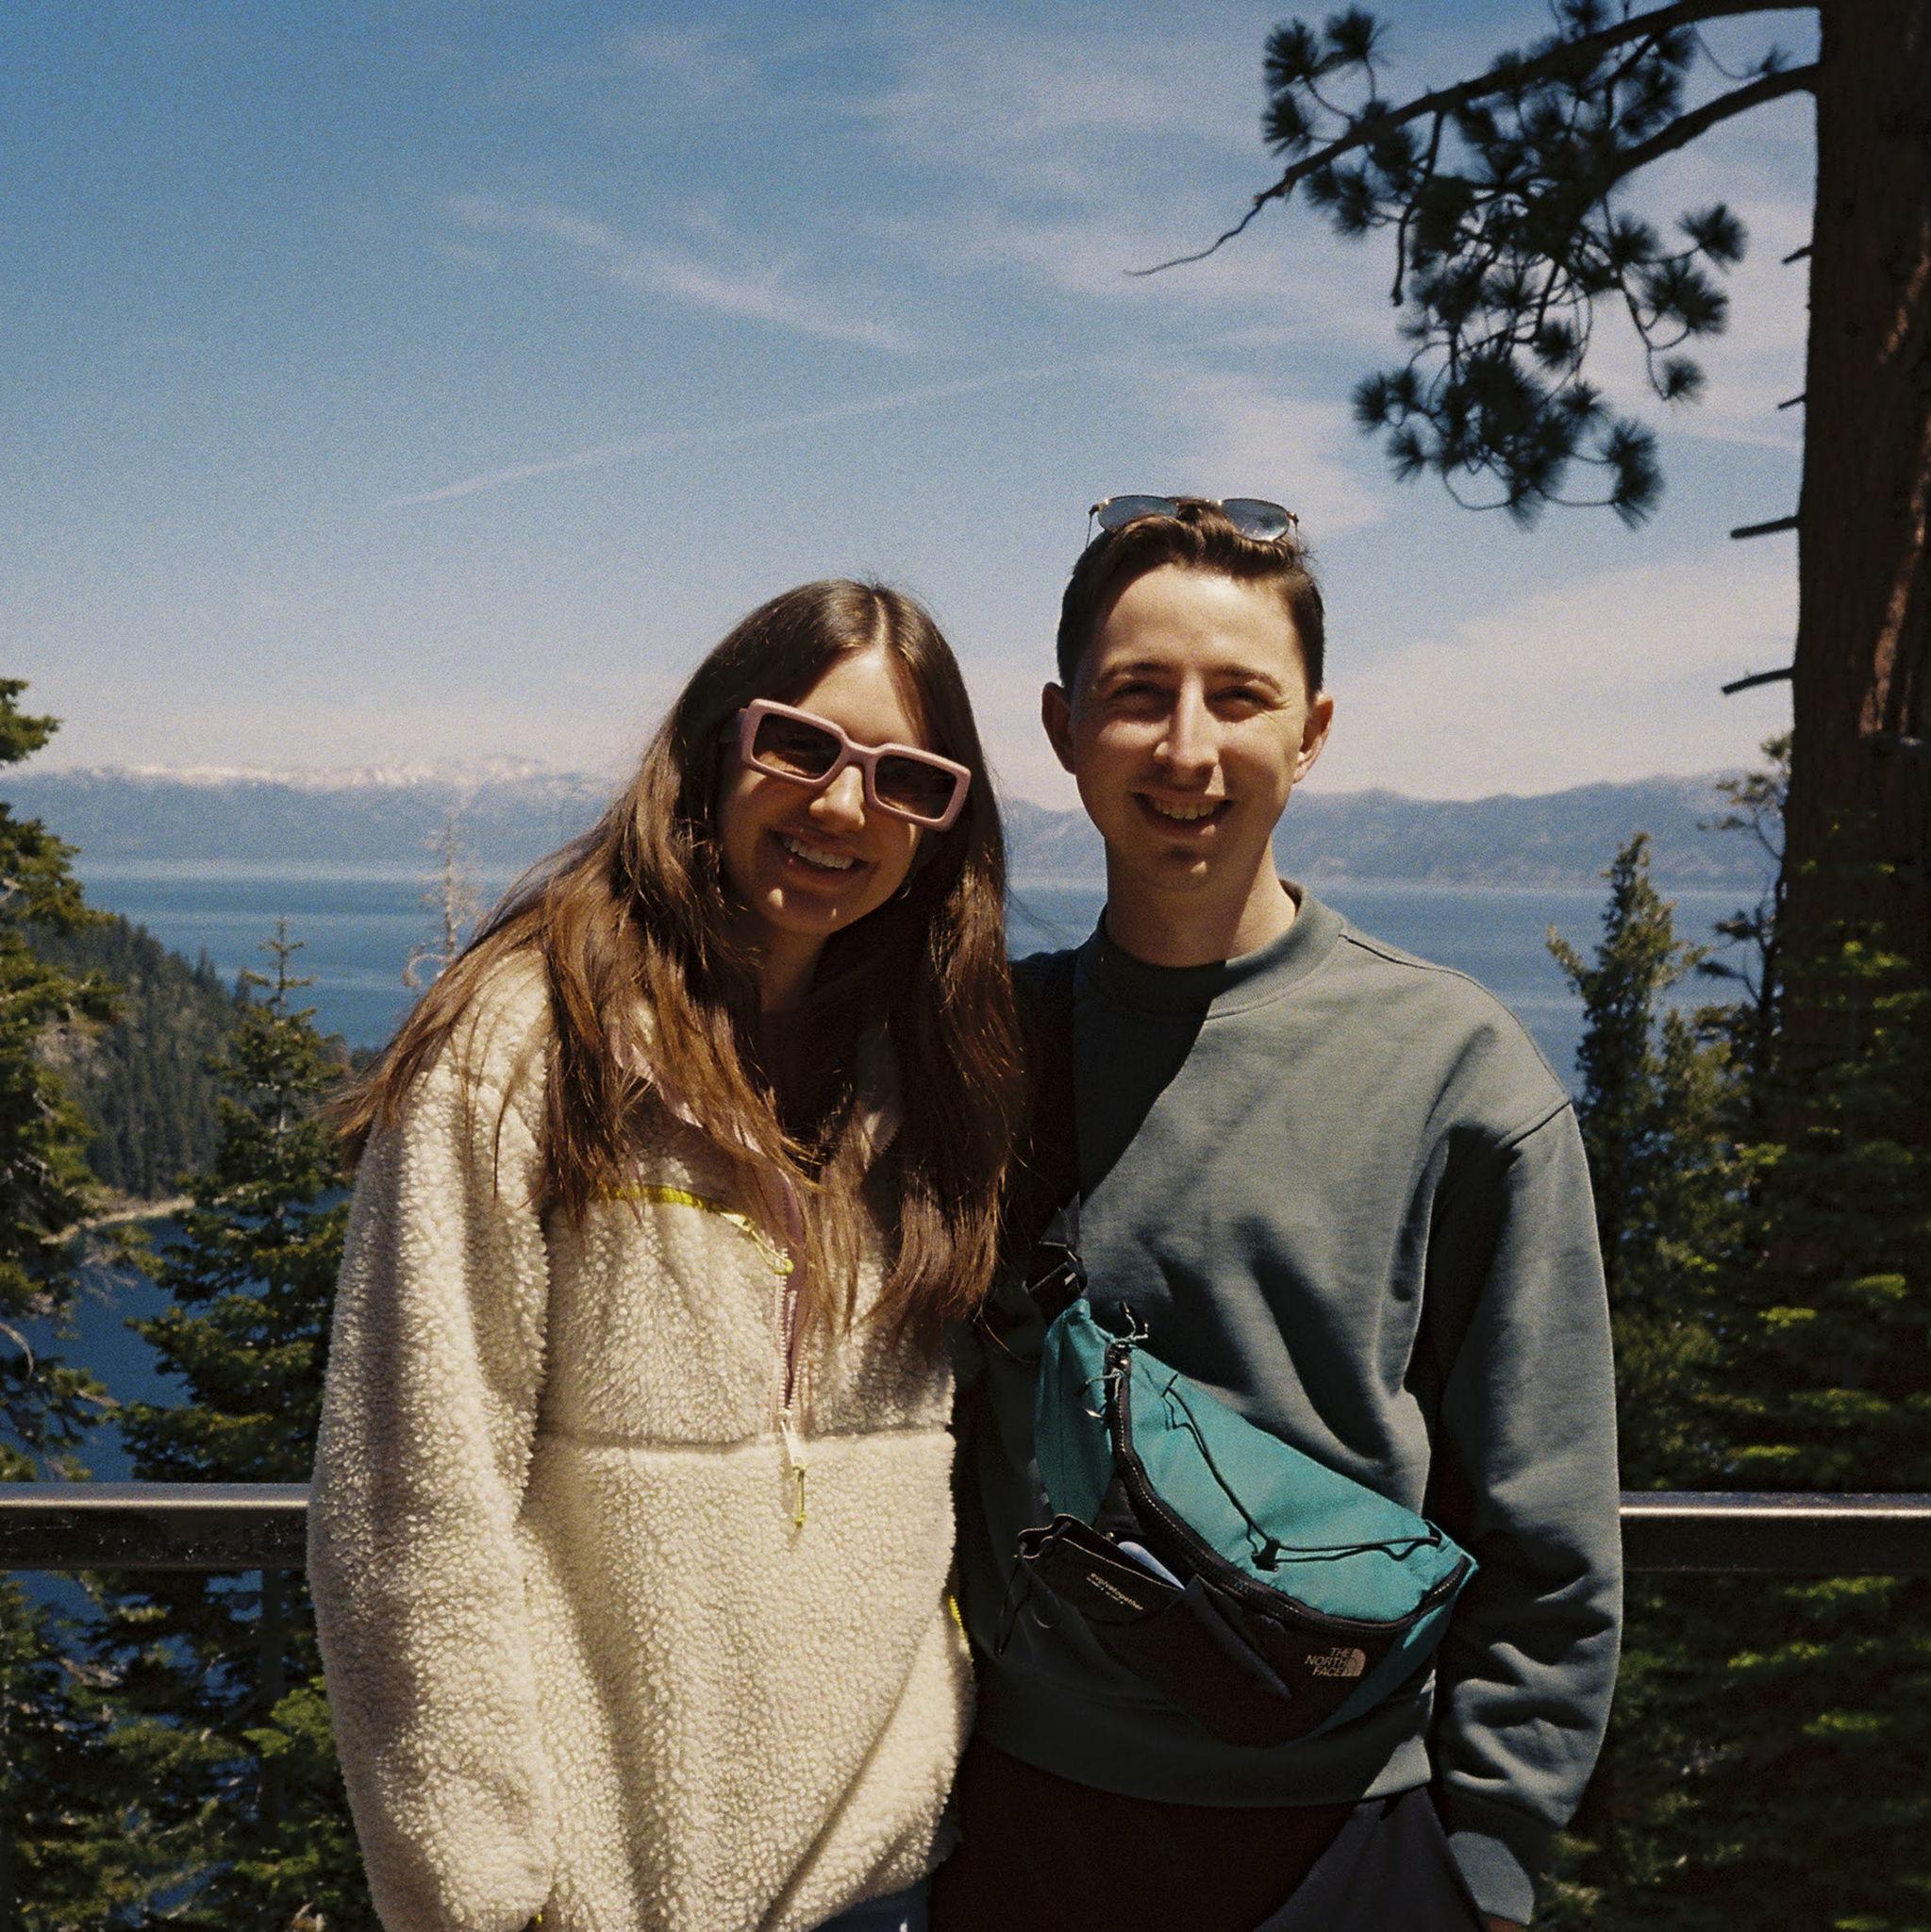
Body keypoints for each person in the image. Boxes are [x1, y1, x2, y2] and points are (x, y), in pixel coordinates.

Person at [938, 498, 1621, 1932]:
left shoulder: (1457, 1073)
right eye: (1139, 698)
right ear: (1063, 731)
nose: (1189, 750)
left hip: (1354, 1846)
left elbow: (1549, 1531)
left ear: (1311, 732)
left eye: (1238, 698)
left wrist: (1483, 1869)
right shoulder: (985, 1052)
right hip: (1018, 1832)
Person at [310, 580, 1024, 1932]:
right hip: (597, 1901)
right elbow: (412, 1505)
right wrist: (470, 1895)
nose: (840, 808)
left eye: (906, 779)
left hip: (883, 1883)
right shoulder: (530, 1047)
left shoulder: (929, 1077)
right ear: (713, 746)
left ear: (944, 827)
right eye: (799, 747)